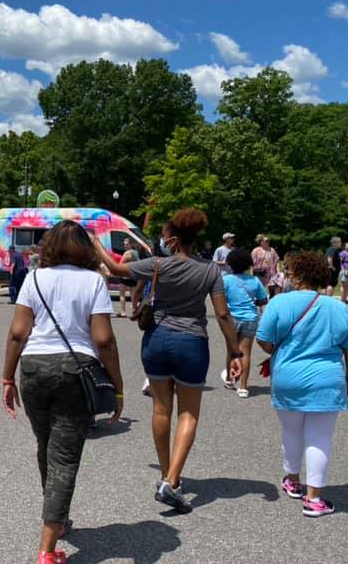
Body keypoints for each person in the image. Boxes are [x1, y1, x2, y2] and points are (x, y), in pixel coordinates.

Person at [95, 208, 242, 514]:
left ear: (173, 240)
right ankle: (172, 480)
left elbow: (114, 268)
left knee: (161, 409)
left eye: (163, 237)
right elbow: (223, 314)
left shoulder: (157, 264)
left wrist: (95, 242)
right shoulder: (211, 271)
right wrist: (235, 352)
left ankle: (166, 475)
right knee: (188, 413)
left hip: (158, 339)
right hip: (192, 342)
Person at [1, 220, 124, 564]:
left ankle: (57, 517)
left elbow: (17, 333)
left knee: (47, 447)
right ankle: (47, 549)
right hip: (75, 371)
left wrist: (7, 379)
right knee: (64, 458)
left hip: (34, 368)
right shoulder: (93, 282)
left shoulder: (35, 277)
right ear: (85, 248)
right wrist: (118, 385)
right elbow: (104, 340)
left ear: (49, 246)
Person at [256, 251, 348, 517]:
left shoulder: (279, 303)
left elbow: (264, 339)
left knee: (291, 432)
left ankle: (292, 480)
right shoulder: (337, 307)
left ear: (295, 275)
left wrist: (277, 350)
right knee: (319, 437)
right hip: (327, 378)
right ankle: (314, 498)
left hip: (288, 377)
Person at [221, 248, 268, 398]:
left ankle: (230, 378)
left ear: (230, 264)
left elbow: (221, 299)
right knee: (245, 352)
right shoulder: (255, 280)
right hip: (250, 318)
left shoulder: (226, 280)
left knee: (231, 350)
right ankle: (243, 387)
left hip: (231, 318)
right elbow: (263, 300)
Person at [117, 240, 140, 318]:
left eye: (126, 244)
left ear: (130, 244)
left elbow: (120, 264)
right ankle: (134, 311)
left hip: (125, 276)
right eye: (124, 244)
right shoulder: (136, 253)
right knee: (133, 295)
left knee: (122, 294)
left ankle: (123, 312)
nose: (125, 246)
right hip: (133, 276)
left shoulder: (127, 253)